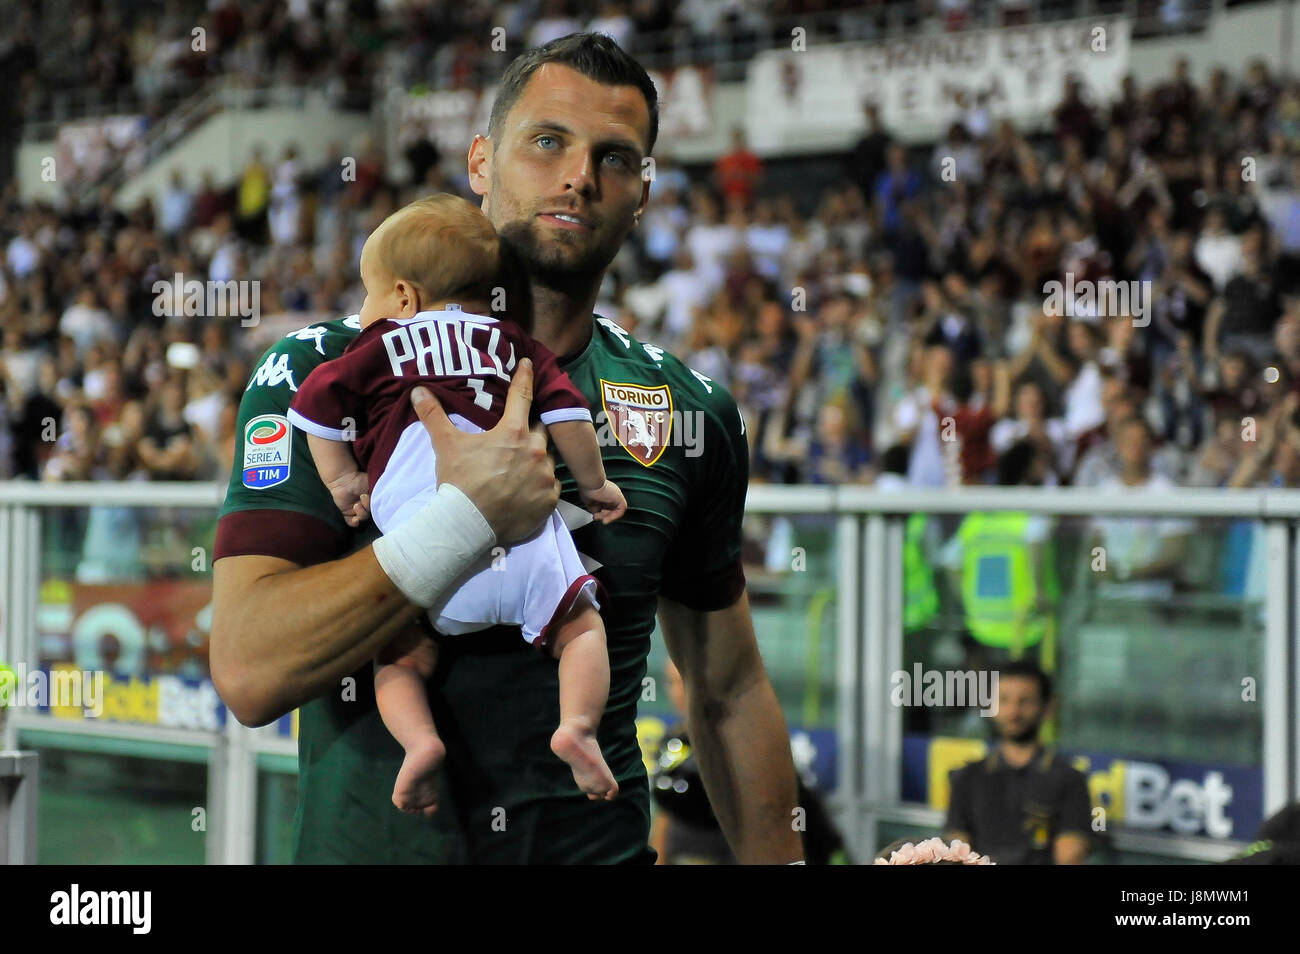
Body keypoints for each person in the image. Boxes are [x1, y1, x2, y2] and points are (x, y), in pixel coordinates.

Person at [210, 32, 802, 864]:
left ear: (641, 196)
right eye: (548, 141)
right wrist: (466, 519)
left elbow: (729, 690)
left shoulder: (686, 410)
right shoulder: (319, 370)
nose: (579, 177)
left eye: (616, 158)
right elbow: (248, 671)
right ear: (480, 161)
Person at [288, 195, 627, 813]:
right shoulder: (512, 342)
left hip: (428, 547)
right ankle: (577, 725)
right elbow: (570, 414)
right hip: (525, 539)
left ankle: (419, 743)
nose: (362, 313)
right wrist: (596, 482)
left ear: (403, 298)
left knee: (396, 655)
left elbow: (314, 406)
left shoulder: (381, 347)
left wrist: (342, 481)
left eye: (367, 297)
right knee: (581, 629)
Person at [943, 661, 1092, 865]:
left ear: (1048, 707)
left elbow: (1070, 856)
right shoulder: (966, 777)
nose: (1013, 712)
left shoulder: (1070, 780)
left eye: (1026, 701)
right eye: (1003, 700)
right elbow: (955, 852)